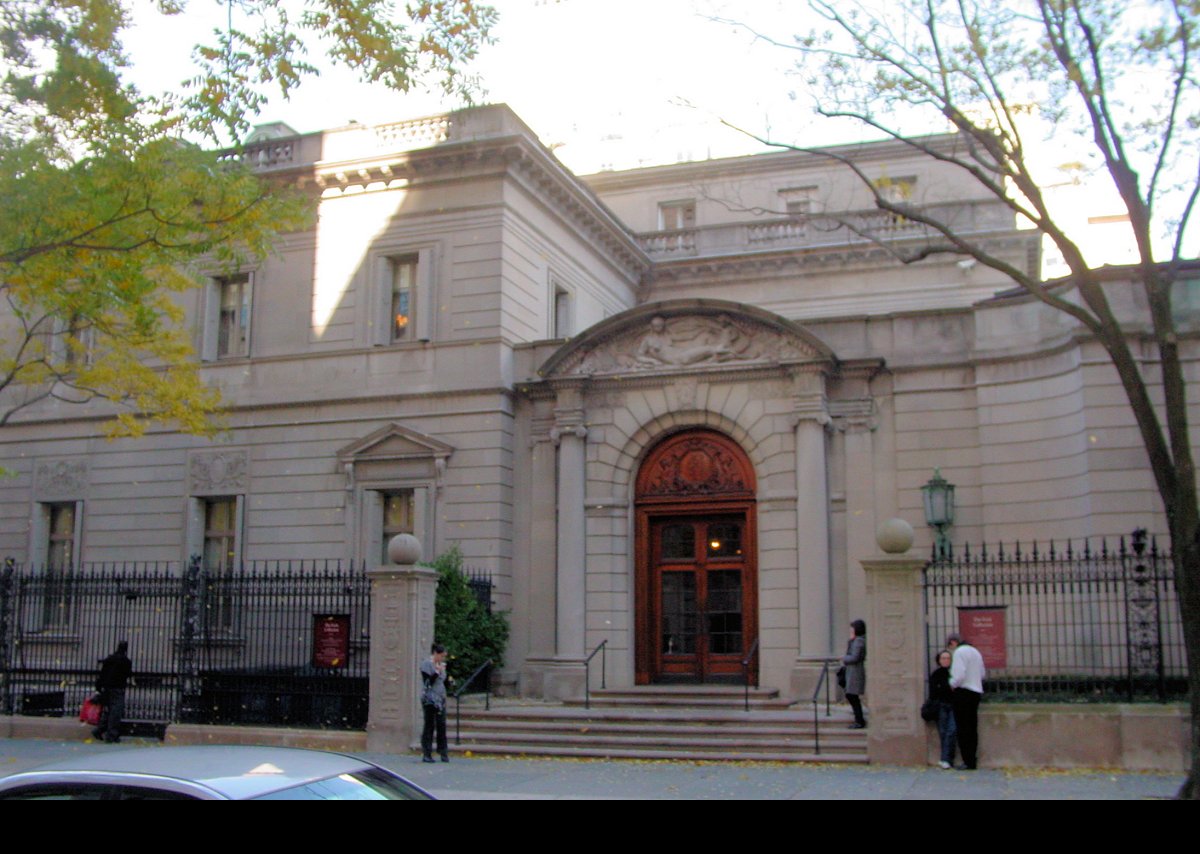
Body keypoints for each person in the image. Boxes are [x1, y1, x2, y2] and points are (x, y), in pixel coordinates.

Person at [947, 633, 985, 770]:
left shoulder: (959, 652)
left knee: (963, 728)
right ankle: (972, 759)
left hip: (963, 692)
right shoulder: (976, 652)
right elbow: (982, 674)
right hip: (976, 691)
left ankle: (967, 760)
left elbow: (959, 674)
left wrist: (952, 683)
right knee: (972, 727)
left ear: (953, 643)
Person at [93, 641, 132, 744]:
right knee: (115, 712)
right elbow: (127, 675)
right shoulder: (126, 661)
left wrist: (99, 687)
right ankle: (111, 735)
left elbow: (102, 674)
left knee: (108, 711)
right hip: (117, 689)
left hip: (106, 688)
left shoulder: (109, 659)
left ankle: (99, 730)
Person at [420, 643, 450, 763]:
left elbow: (443, 681)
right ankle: (427, 752)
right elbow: (428, 683)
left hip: (440, 697)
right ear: (435, 654)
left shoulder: (441, 665)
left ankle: (443, 751)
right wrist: (437, 672)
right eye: (441, 656)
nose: (442, 659)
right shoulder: (427, 664)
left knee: (441, 724)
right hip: (429, 698)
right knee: (429, 724)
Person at [929, 649, 957, 769]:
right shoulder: (936, 674)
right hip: (941, 705)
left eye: (948, 658)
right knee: (943, 732)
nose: (946, 660)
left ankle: (946, 759)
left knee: (951, 731)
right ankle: (946, 759)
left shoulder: (954, 672)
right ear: (939, 660)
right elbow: (934, 691)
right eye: (943, 658)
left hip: (953, 705)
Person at [842, 619, 867, 729]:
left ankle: (859, 720)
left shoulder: (859, 641)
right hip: (852, 671)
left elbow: (854, 657)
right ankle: (859, 719)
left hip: (855, 672)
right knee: (851, 695)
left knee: (852, 695)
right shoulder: (855, 640)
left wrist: (844, 658)